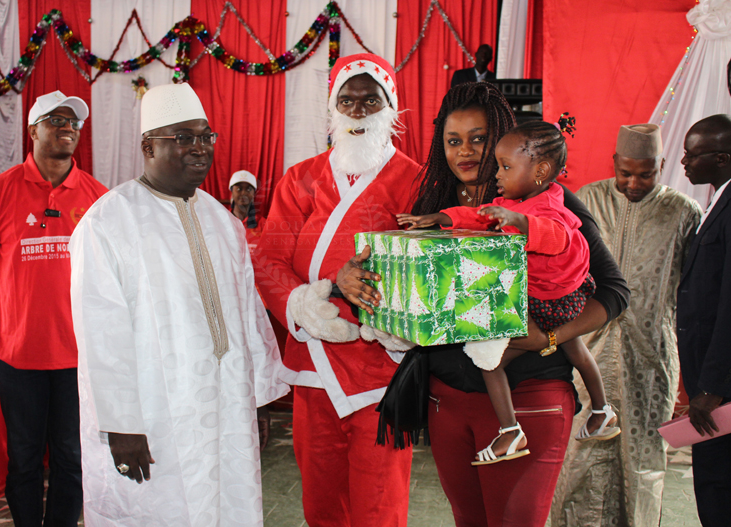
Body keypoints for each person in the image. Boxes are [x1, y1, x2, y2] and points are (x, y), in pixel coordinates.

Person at [337, 81, 629, 526]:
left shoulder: (547, 204)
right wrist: (352, 279)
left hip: (530, 396)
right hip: (446, 401)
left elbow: (614, 291)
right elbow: (403, 282)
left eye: (479, 139)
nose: (466, 152)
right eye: (454, 141)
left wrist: (548, 336)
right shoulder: (433, 205)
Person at [68, 83, 290, 526]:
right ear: (148, 146)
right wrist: (121, 425)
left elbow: (248, 317)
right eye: (183, 138)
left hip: (226, 406)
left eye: (206, 137)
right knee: (159, 510)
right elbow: (101, 335)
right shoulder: (108, 222)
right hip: (152, 414)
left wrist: (258, 400)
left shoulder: (223, 223)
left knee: (228, 506)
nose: (199, 148)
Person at [254, 53, 421, 526]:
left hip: (382, 371)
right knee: (322, 505)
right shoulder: (300, 178)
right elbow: (267, 260)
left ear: (390, 107)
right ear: (333, 108)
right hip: (314, 370)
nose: (358, 111)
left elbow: (428, 265)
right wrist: (313, 300)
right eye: (347, 101)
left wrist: (354, 292)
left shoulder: (416, 180)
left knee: (380, 507)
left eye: (371, 100)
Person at [398, 120, 619, 466]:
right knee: (574, 346)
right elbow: (479, 216)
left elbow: (556, 235)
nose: (497, 174)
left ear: (541, 170)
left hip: (548, 300)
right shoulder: (524, 200)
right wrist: (440, 217)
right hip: (566, 295)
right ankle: (602, 411)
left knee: (487, 355)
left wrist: (521, 224)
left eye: (505, 166)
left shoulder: (546, 210)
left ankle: (510, 431)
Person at [0, 91, 107, 526]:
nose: (68, 127)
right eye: (56, 120)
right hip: (18, 354)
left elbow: (106, 277)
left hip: (77, 357)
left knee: (71, 454)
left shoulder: (98, 197)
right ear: (32, 131)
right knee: (24, 456)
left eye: (74, 122)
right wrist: (22, 305)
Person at [550, 124, 702, 527]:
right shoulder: (589, 200)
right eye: (626, 173)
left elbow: (692, 290)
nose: (634, 183)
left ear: (662, 167)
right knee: (580, 454)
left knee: (644, 458)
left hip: (651, 356)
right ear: (614, 163)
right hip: (587, 351)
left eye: (646, 174)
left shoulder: (683, 212)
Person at [676, 114, 731, 527]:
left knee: (717, 484)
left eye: (692, 155)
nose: (683, 162)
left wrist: (711, 386)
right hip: (707, 376)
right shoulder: (717, 200)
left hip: (720, 387)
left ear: (722, 158)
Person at [229, 169, 265, 251]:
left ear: (253, 194)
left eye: (248, 189)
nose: (243, 193)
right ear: (232, 192)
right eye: (239, 189)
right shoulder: (221, 222)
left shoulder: (263, 225)